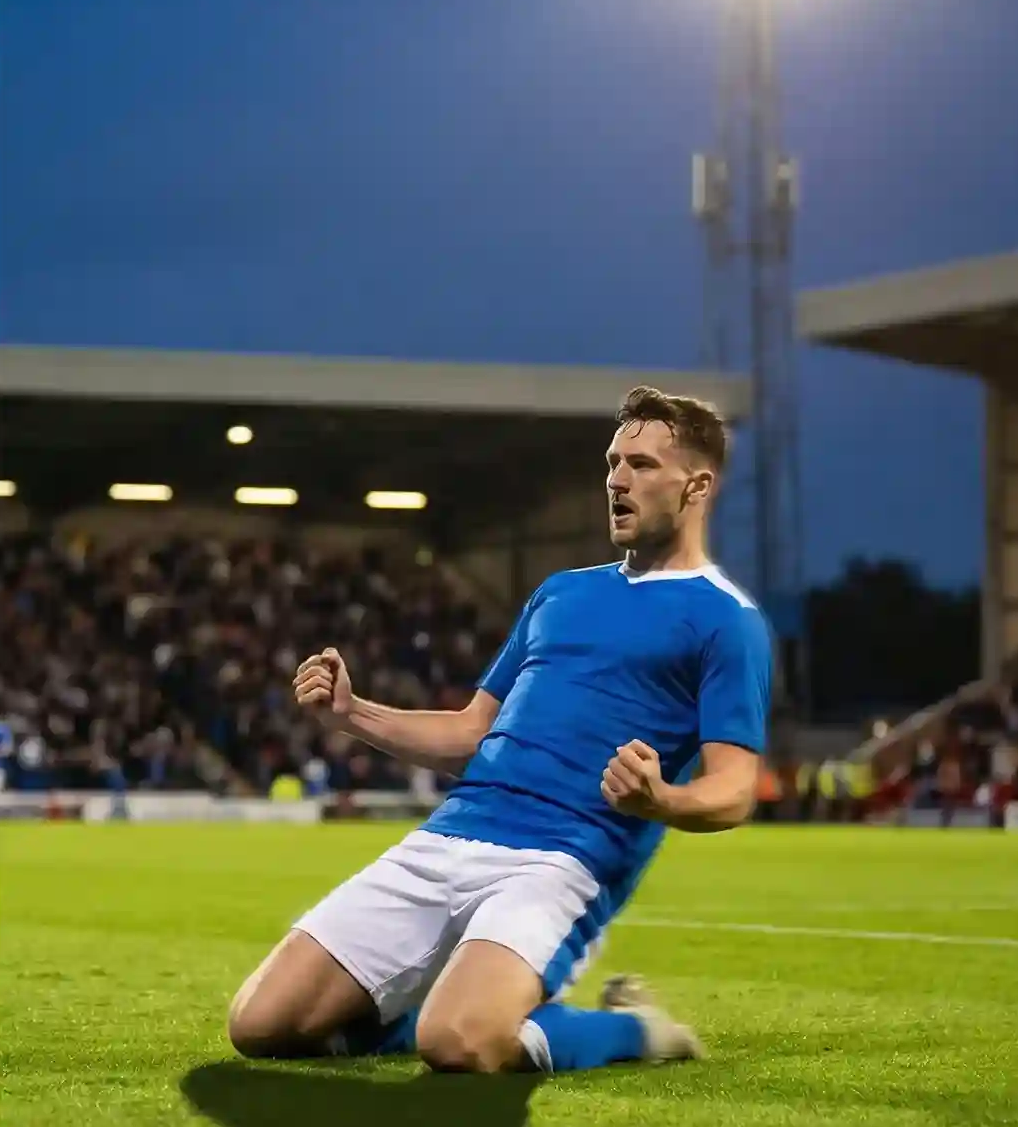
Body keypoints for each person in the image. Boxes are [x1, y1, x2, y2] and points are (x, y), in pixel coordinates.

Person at [226, 387, 773, 1074]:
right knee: (261, 1025)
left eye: (639, 464)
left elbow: (733, 791)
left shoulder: (726, 621)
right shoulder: (559, 593)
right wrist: (352, 712)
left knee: (459, 1044)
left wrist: (659, 801)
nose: (615, 479)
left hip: (558, 862)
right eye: (611, 462)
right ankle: (423, 1017)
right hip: (447, 837)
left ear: (696, 485)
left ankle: (634, 1033)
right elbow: (470, 735)